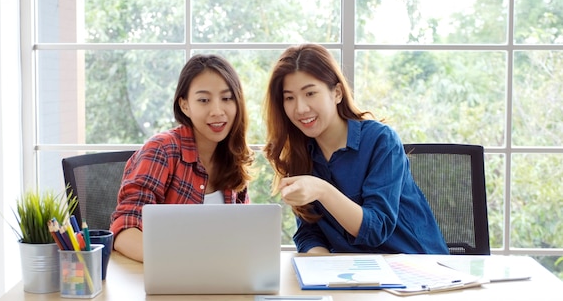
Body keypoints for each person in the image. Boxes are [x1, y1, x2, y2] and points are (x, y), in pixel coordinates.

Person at [263, 43, 448, 255]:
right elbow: (308, 231)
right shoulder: (301, 153)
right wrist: (321, 265)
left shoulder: (381, 141)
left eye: (310, 93)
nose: (300, 108)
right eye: (289, 98)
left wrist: (322, 190)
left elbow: (376, 229)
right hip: (354, 275)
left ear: (337, 93)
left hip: (415, 270)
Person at [110, 54, 254, 262]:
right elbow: (124, 229)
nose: (217, 111)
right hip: (168, 280)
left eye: (227, 98)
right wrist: (180, 261)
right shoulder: (162, 150)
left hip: (221, 278)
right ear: (185, 105)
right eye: (204, 100)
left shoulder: (233, 155)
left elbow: (245, 233)